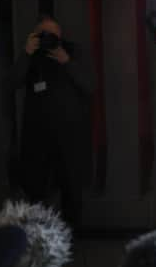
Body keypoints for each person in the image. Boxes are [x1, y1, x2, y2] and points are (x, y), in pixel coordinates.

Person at [9, 15, 93, 230]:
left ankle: (72, 234)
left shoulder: (72, 52)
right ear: (35, 36)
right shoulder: (31, 56)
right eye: (43, 34)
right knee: (36, 189)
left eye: (52, 35)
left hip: (69, 135)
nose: (48, 39)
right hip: (37, 135)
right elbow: (13, 82)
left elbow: (89, 86)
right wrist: (26, 52)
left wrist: (65, 60)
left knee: (71, 188)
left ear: (61, 36)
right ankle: (38, 235)